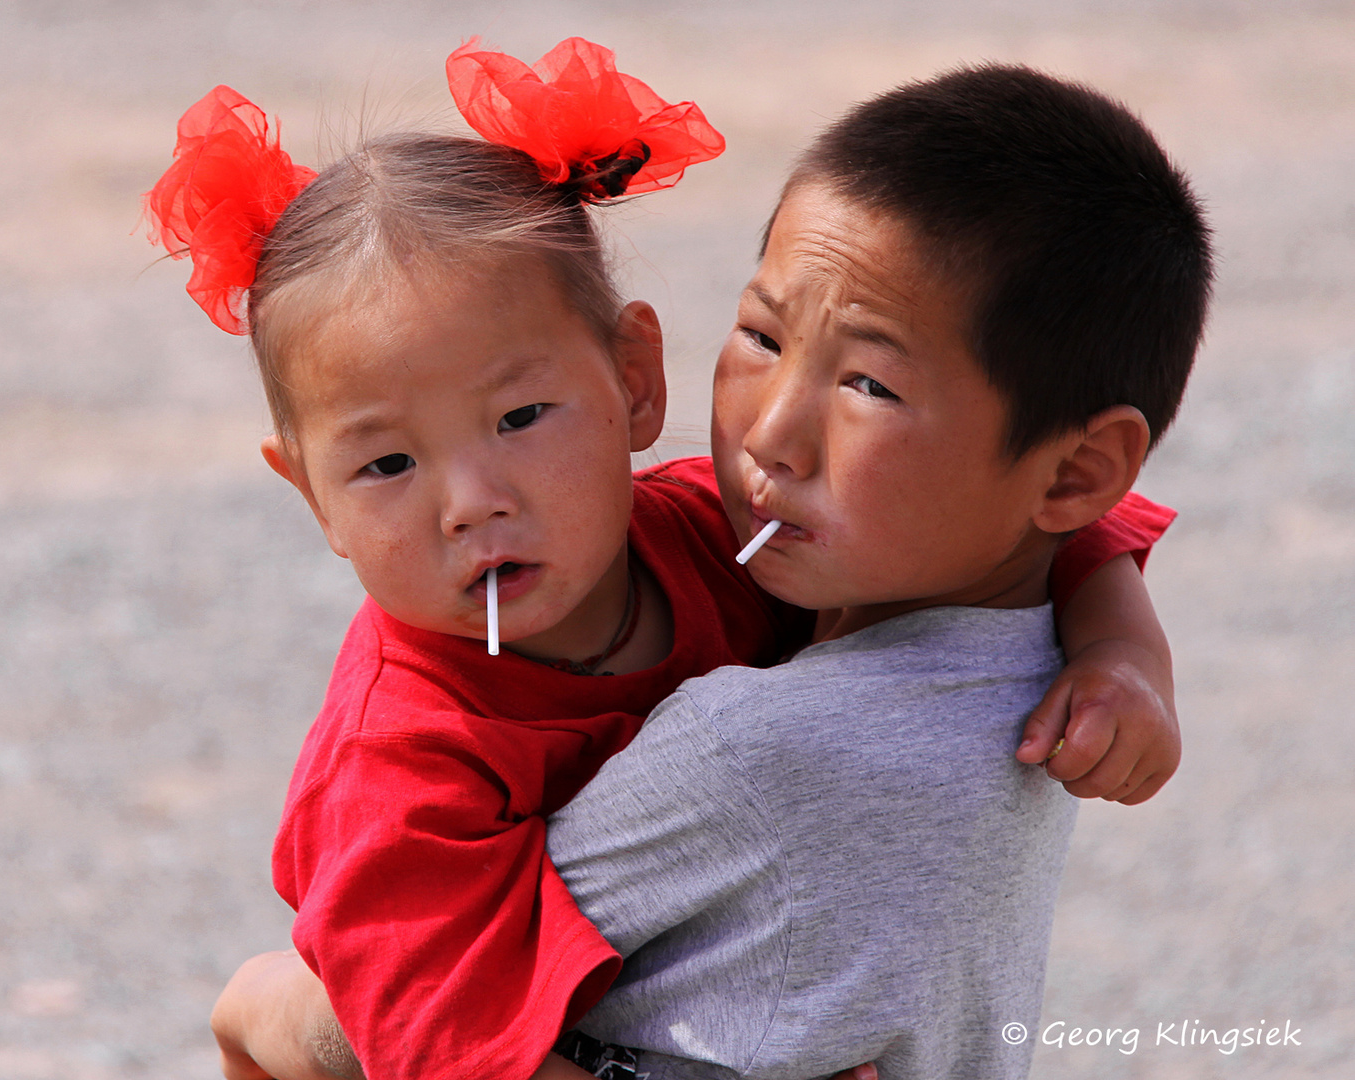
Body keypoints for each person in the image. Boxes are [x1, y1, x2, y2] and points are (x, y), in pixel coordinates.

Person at [141, 41, 1179, 1080]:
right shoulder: (397, 772)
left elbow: (1062, 516)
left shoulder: (714, 531)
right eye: (387, 463)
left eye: (521, 416)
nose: (470, 502)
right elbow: (448, 1062)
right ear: (310, 494)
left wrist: (1123, 652)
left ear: (637, 381)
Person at [544, 63, 1213, 1080]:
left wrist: (266, 1015)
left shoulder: (753, 749)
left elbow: (422, 983)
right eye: (762, 335)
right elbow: (1096, 532)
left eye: (869, 384)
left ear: (1075, 470)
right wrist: (1124, 646)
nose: (771, 436)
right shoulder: (1030, 649)